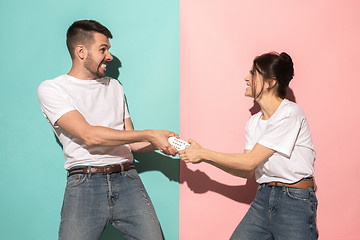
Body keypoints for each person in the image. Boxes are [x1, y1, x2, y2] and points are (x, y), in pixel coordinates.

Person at [37, 20, 178, 240]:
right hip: (84, 183)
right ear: (81, 51)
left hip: (127, 179)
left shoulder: (115, 86)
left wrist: (161, 141)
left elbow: (131, 142)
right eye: (103, 49)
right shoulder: (52, 89)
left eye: (108, 50)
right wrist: (149, 133)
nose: (109, 57)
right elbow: (88, 135)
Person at [179, 52, 318, 239]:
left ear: (270, 82)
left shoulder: (290, 113)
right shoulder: (253, 123)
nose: (247, 78)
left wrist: (203, 154)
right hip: (263, 198)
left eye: (253, 73)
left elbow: (250, 161)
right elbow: (245, 171)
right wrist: (202, 158)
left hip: (294, 200)